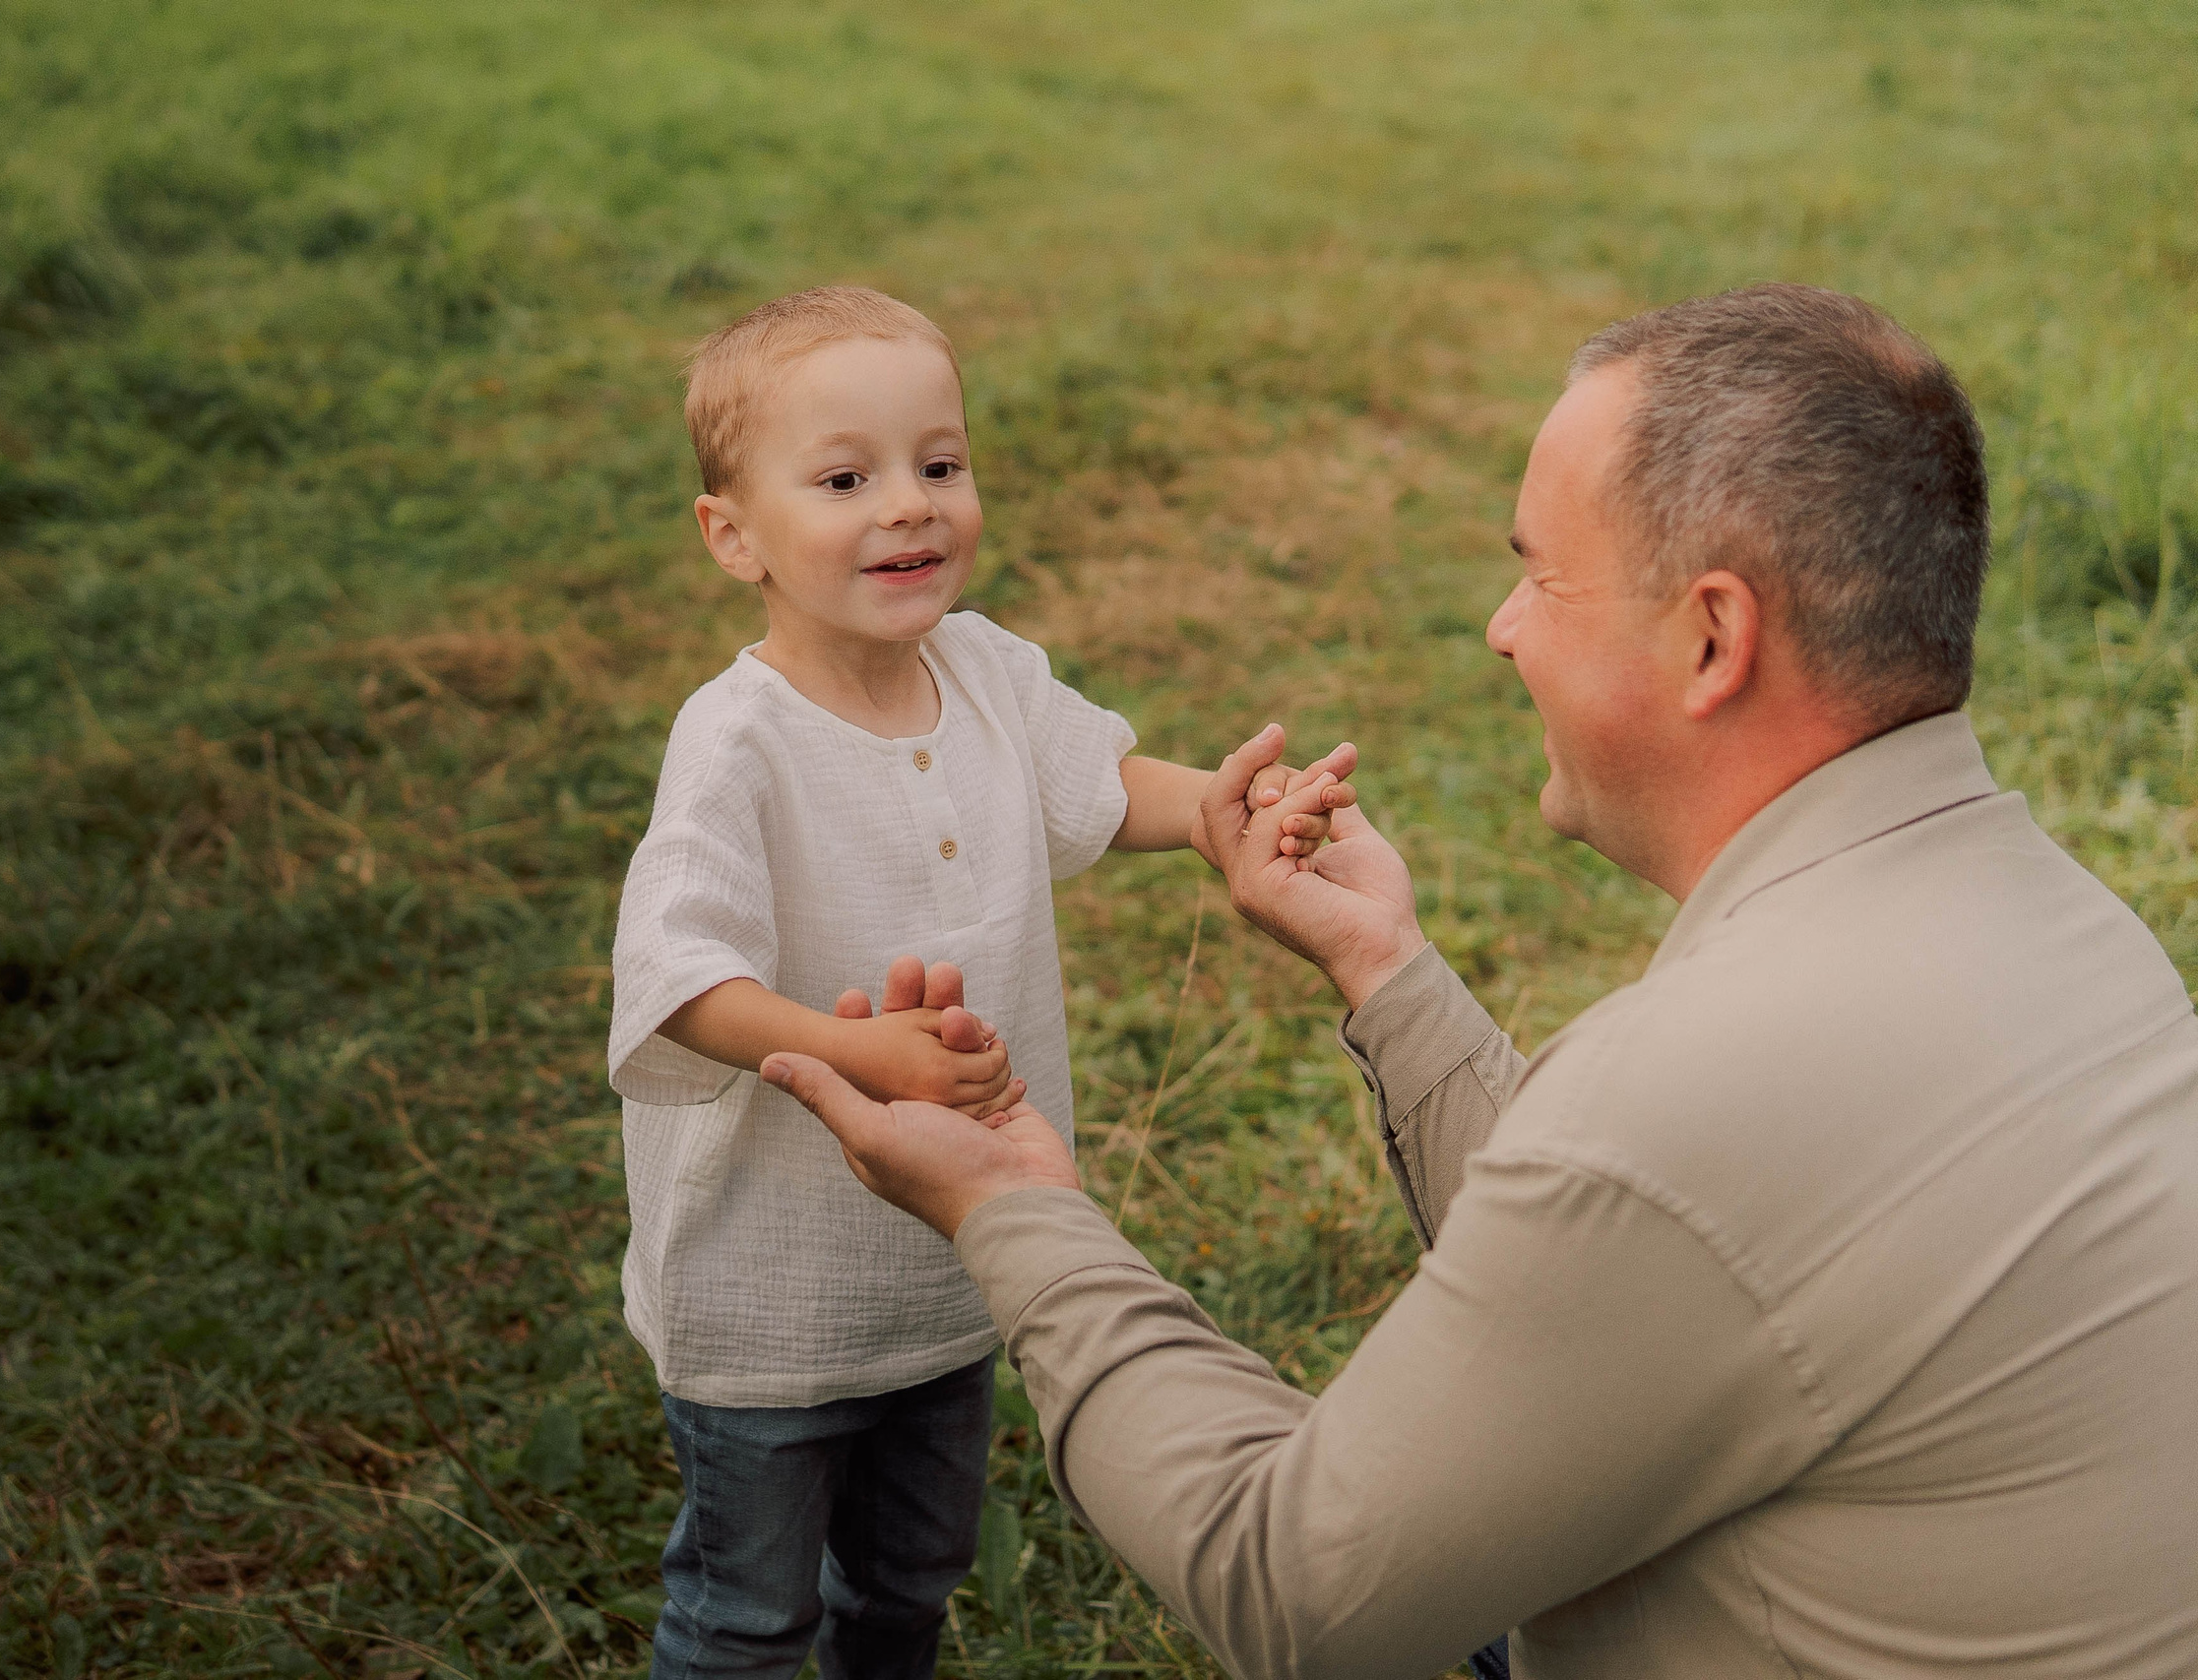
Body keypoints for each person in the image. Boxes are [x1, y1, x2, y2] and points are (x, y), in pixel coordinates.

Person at [759, 283, 2198, 1678]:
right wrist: (1384, 969)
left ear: (1712, 638)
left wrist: (1013, 1206)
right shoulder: (2072, 929)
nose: (1503, 629)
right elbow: (1667, 1262)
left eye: (1539, 574)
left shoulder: (1691, 1091)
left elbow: (1292, 1591)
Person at [605, 285, 1323, 1680]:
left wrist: (1220, 808)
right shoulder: (736, 743)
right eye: (845, 478)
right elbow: (679, 982)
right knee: (749, 1617)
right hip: (772, 1288)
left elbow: (1100, 785)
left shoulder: (985, 669)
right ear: (731, 535)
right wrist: (848, 1054)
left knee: (911, 1581)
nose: (910, 506)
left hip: (956, 1259)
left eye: (940, 464)